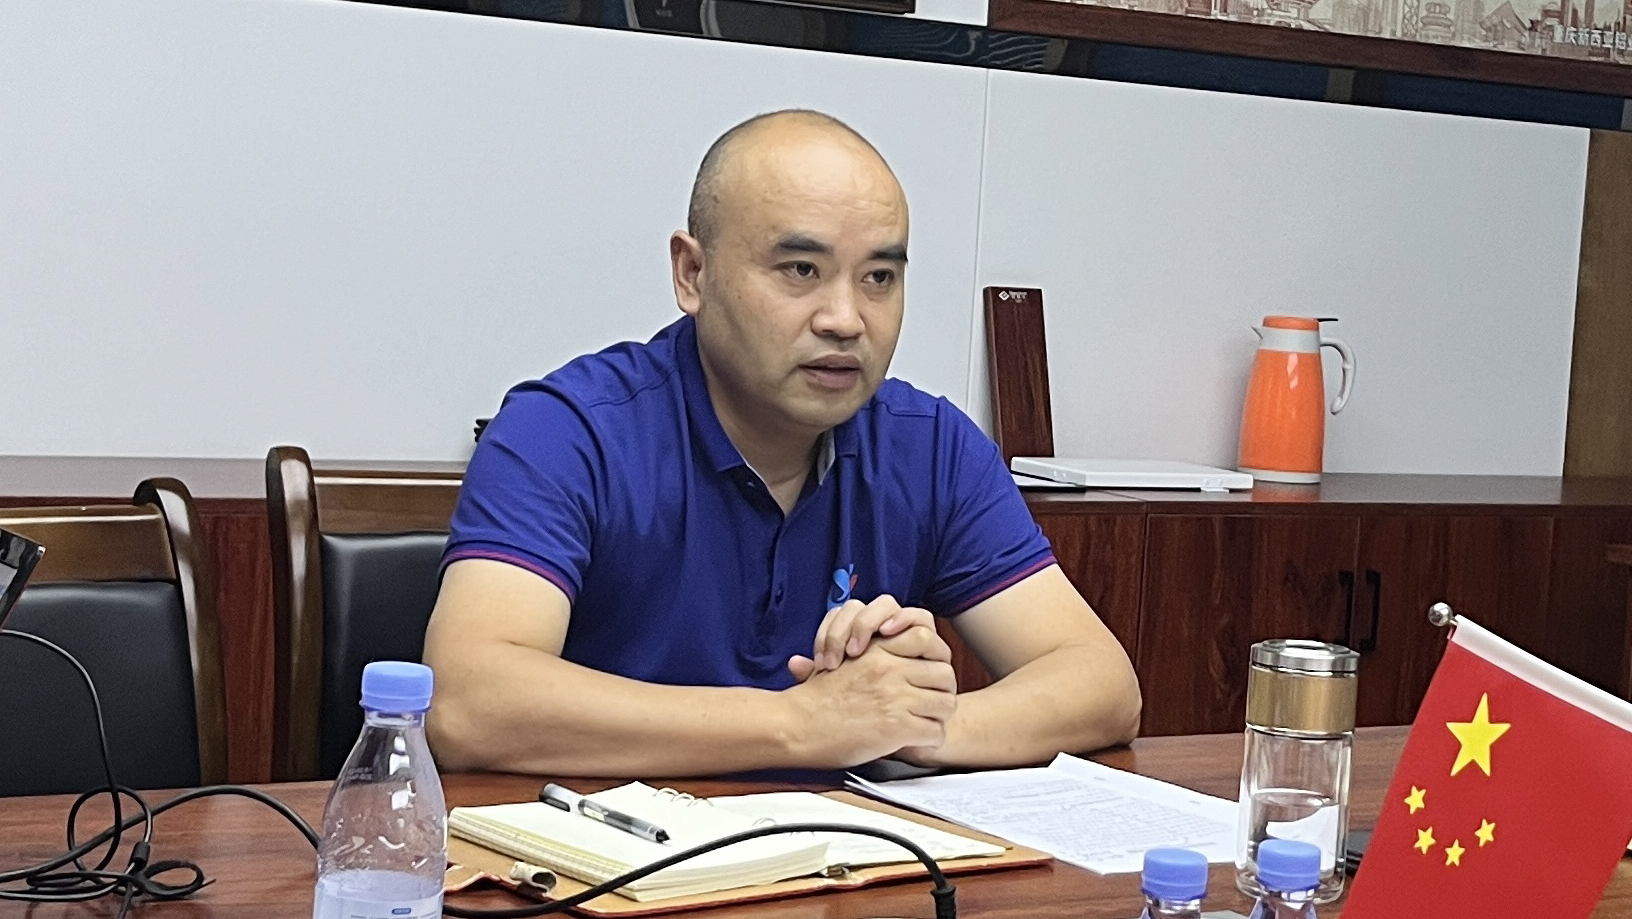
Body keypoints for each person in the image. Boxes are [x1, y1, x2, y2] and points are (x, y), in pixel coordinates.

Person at [422, 109, 1140, 777]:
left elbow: (1102, 685)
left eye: (879, 278)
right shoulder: (568, 431)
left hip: (846, 855)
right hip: (609, 853)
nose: (845, 318)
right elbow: (469, 702)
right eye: (801, 270)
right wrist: (801, 723)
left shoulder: (930, 447)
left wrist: (906, 721)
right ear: (692, 273)